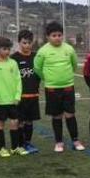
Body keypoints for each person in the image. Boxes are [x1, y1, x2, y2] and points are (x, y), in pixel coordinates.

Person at [34, 21, 83, 152]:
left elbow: (74, 64)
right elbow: (37, 68)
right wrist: (48, 79)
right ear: (48, 37)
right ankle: (59, 142)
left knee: (70, 114)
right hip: (51, 88)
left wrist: (67, 77)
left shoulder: (69, 49)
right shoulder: (43, 51)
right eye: (54, 35)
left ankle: (75, 140)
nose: (57, 38)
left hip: (68, 87)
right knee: (56, 116)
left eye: (59, 35)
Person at [0, 37, 26, 157]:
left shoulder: (13, 63)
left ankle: (14, 147)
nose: (7, 52)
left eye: (9, 49)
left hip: (12, 100)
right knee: (0, 123)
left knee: (14, 122)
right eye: (4, 49)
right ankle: (2, 148)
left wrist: (17, 96)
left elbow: (18, 80)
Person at [11, 30, 41, 153]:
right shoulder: (14, 59)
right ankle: (20, 144)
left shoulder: (36, 57)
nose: (27, 45)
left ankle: (27, 142)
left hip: (33, 95)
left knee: (29, 120)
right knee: (20, 121)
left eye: (29, 43)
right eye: (24, 43)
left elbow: (39, 73)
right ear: (19, 42)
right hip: (20, 96)